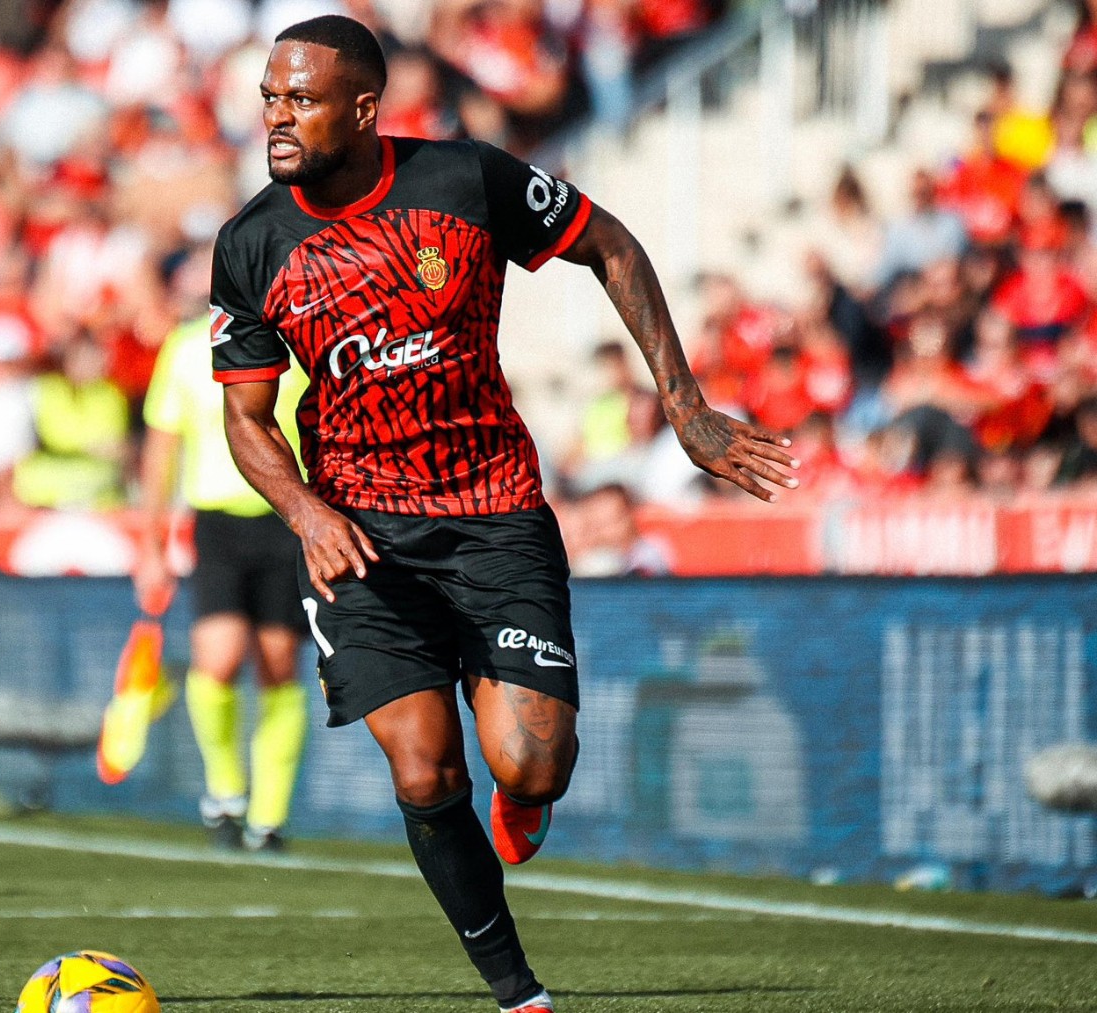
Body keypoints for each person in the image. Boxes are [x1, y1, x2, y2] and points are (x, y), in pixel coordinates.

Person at [210, 16, 797, 1012]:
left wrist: (684, 405)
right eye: (269, 95)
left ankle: (525, 798)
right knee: (423, 759)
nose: (276, 115)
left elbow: (609, 242)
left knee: (530, 757)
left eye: (298, 99)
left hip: (494, 513)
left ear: (362, 106)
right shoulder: (253, 242)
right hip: (358, 532)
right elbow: (247, 418)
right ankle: (518, 991)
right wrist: (305, 510)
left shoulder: (466, 181)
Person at [135, 262, 309, 852]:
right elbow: (161, 453)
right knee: (219, 658)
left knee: (280, 664)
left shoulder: (299, 344)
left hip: (289, 519)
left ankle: (269, 815)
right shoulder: (185, 350)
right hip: (217, 523)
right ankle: (226, 790)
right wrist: (151, 545)